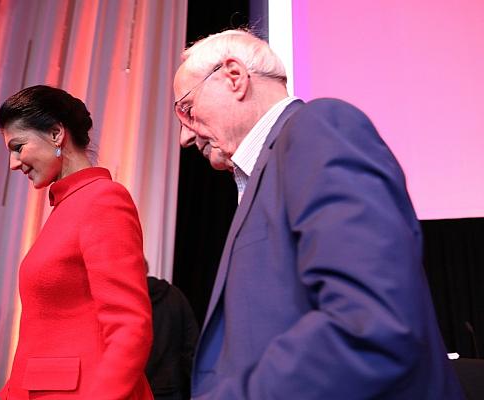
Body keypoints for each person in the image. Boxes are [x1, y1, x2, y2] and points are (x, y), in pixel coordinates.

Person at [173, 29, 465, 399]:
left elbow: (367, 324)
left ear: (234, 76)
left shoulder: (317, 129)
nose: (184, 136)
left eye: (186, 107)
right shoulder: (268, 169)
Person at [0, 85, 153, 399]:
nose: (13, 163)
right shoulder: (67, 206)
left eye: (19, 146)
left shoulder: (102, 199)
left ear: (56, 133)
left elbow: (129, 325)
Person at [145, 266, 199, 400]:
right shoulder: (175, 295)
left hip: (138, 389)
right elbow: (192, 347)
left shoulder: (126, 300)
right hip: (171, 389)